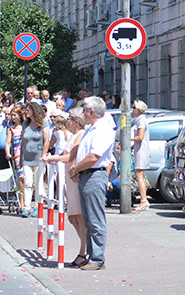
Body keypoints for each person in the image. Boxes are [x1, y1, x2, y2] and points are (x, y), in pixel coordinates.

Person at [67, 97, 116, 271]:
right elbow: (84, 153)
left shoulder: (103, 129)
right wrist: (77, 169)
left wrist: (75, 169)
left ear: (92, 112)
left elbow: (94, 157)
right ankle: (91, 255)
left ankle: (97, 259)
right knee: (88, 219)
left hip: (94, 174)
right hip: (86, 174)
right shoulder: (91, 129)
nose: (83, 113)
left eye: (84, 110)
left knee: (95, 219)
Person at [44, 107, 88, 267]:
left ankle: (84, 251)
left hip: (74, 177)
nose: (67, 121)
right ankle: (86, 247)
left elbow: (70, 156)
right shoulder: (74, 135)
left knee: (78, 216)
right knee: (72, 216)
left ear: (76, 121)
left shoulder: (81, 134)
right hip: (69, 177)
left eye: (69, 119)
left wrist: (53, 158)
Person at [20, 102, 51, 217]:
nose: (26, 111)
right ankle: (27, 207)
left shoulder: (43, 123)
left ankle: (38, 206)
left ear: (34, 110)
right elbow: (23, 141)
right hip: (27, 158)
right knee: (28, 182)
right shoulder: (25, 124)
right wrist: (20, 157)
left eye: (28, 109)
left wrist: (43, 155)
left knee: (38, 183)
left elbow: (46, 140)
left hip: (39, 158)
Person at [132, 99, 151, 212]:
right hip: (139, 149)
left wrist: (128, 138)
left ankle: (144, 200)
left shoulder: (141, 121)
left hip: (141, 151)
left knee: (139, 175)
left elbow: (140, 137)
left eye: (134, 107)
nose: (132, 109)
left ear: (139, 109)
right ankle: (143, 200)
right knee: (139, 175)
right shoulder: (139, 120)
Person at [6, 105, 25, 213]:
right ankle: (21, 200)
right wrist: (8, 153)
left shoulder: (24, 126)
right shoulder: (11, 128)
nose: (12, 117)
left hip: (26, 153)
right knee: (21, 177)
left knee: (27, 178)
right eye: (11, 115)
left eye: (14, 115)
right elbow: (8, 142)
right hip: (17, 154)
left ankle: (26, 199)